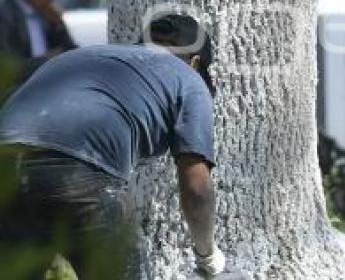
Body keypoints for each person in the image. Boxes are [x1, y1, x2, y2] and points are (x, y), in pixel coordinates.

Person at [0, 14, 226, 278]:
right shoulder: (189, 78)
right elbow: (196, 185)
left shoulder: (83, 55)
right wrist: (207, 254)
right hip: (73, 172)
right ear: (195, 61)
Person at [0, 0, 77, 70]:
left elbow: (72, 52)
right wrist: (45, 61)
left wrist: (58, 24)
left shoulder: (46, 13)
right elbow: (7, 69)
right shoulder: (5, 15)